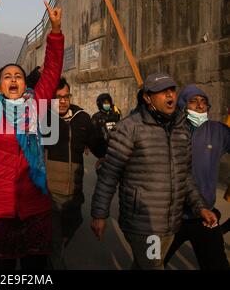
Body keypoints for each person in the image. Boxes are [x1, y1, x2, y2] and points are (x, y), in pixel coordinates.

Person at [0, 0, 64, 270]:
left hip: (34, 204)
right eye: (6, 76)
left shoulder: (36, 105)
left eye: (18, 76)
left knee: (35, 269)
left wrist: (55, 32)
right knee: (4, 269)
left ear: (24, 84)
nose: (13, 79)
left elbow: (52, 72)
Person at [90, 72, 218, 270]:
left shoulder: (181, 128)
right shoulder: (129, 128)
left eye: (172, 90)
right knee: (153, 266)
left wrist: (200, 207)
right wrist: (99, 214)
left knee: (146, 265)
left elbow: (185, 176)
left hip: (171, 222)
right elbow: (109, 174)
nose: (170, 96)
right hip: (143, 224)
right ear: (147, 98)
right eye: (162, 92)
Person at [163, 84, 229, 269]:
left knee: (218, 266)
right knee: (150, 264)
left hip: (205, 217)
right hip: (167, 218)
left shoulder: (218, 131)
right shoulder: (168, 130)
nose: (200, 106)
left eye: (204, 102)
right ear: (182, 105)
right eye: (194, 101)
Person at [45, 77, 107, 269]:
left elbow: (98, 146)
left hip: (74, 194)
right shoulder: (42, 119)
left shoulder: (82, 119)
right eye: (57, 97)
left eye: (66, 96)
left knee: (72, 225)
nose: (63, 101)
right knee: (55, 245)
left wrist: (112, 152)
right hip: (49, 195)